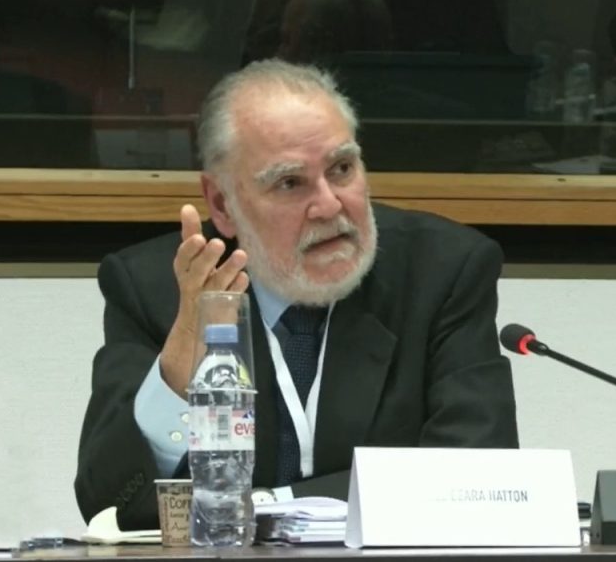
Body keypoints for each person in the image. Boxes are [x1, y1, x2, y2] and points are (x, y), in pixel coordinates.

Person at [74, 59, 519, 530]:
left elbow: (478, 474)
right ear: (223, 205)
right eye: (289, 182)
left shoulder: (441, 271)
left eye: (342, 168)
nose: (328, 205)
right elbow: (107, 507)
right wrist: (177, 378)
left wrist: (266, 504)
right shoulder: (159, 289)